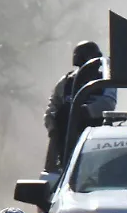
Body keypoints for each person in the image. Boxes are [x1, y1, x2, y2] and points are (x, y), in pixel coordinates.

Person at [44, 41, 117, 171]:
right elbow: (53, 106)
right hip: (67, 138)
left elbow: (108, 103)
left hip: (95, 136)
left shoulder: (104, 80)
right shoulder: (66, 81)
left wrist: (84, 111)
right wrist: (52, 125)